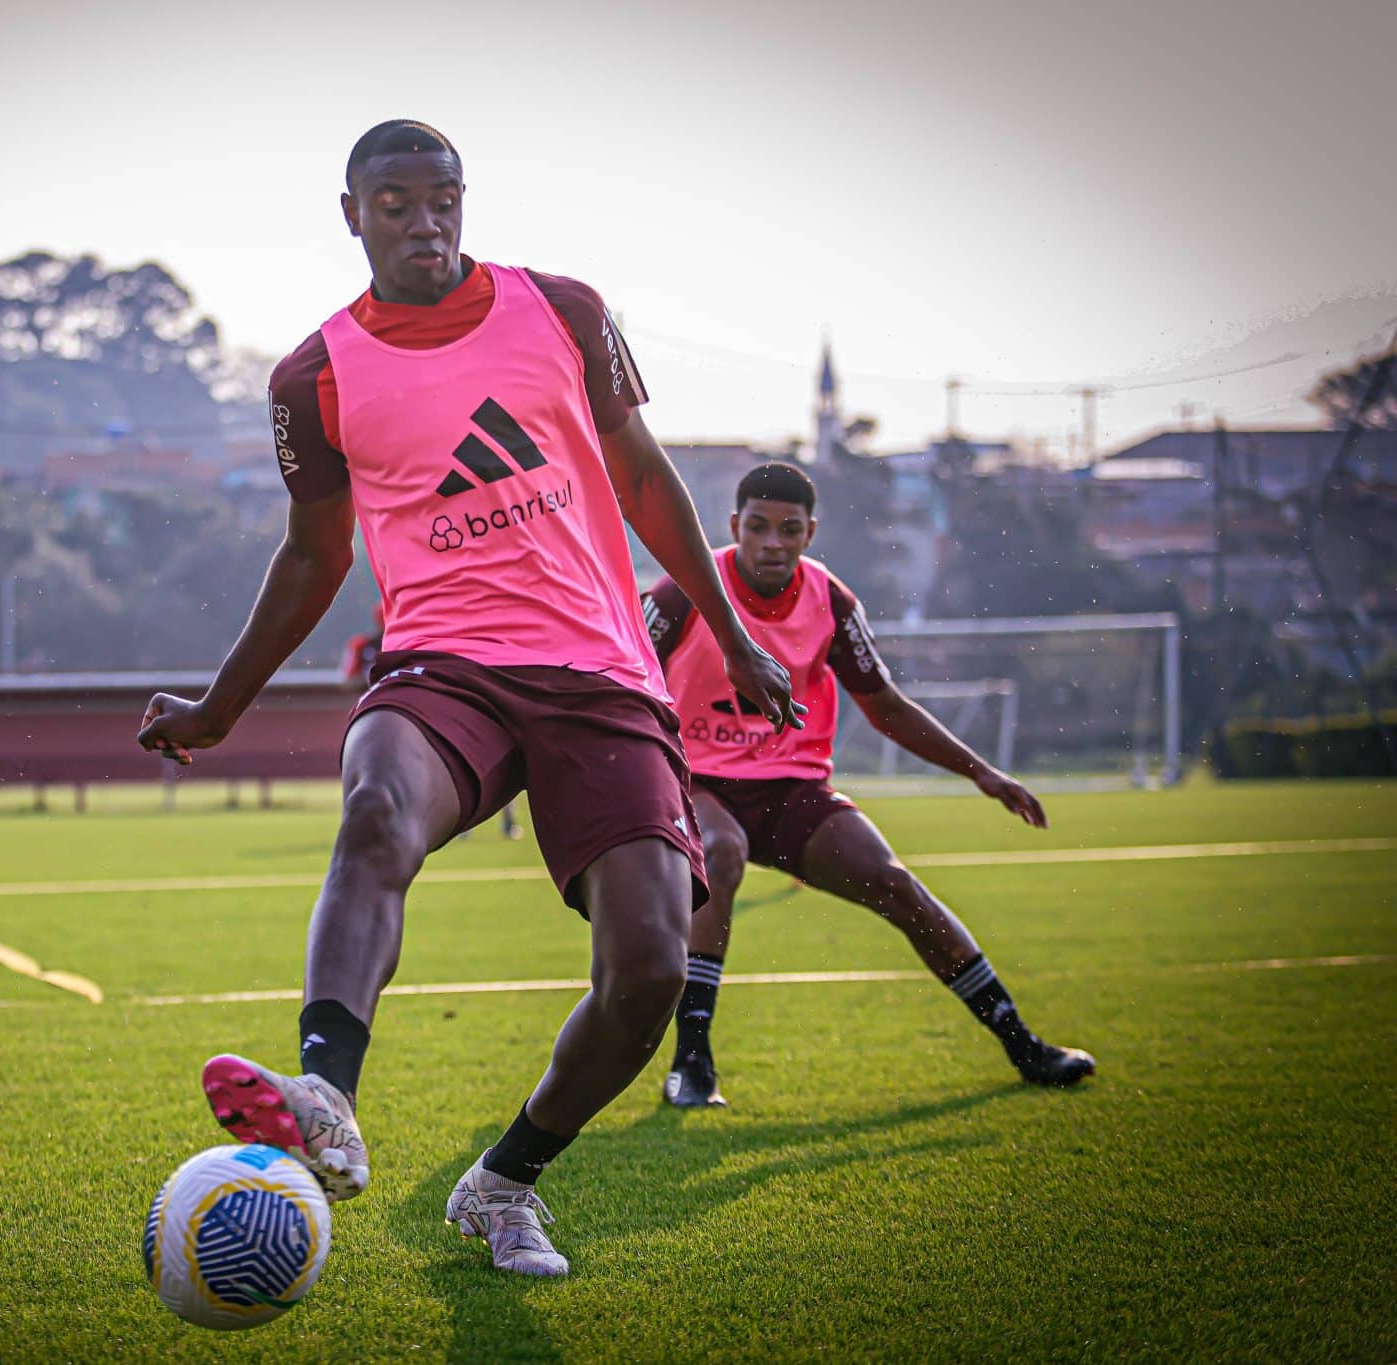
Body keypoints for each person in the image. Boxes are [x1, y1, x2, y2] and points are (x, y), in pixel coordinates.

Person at [137, 120, 799, 1277]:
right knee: (376, 813)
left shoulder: (565, 311)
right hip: (442, 664)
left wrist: (731, 634)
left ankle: (502, 1184)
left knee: (648, 964)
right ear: (352, 214)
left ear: (462, 200)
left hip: (598, 672)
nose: (423, 220)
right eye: (393, 201)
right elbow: (310, 556)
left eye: (441, 197)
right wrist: (218, 706)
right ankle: (324, 1094)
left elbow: (642, 476)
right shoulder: (314, 377)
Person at [642, 461, 1094, 1108]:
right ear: (735, 524)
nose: (773, 541)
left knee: (895, 882)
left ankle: (1022, 1042)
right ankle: (692, 1061)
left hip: (792, 790)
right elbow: (624, 672)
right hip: (698, 779)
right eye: (760, 526)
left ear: (809, 532)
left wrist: (981, 771)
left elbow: (886, 706)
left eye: (789, 529)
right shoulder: (684, 587)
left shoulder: (830, 600)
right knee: (722, 851)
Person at [341, 600, 521, 840]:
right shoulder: (366, 646)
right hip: (379, 716)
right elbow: (347, 680)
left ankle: (499, 820)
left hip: (421, 712)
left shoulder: (423, 641)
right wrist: (375, 679)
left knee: (464, 763)